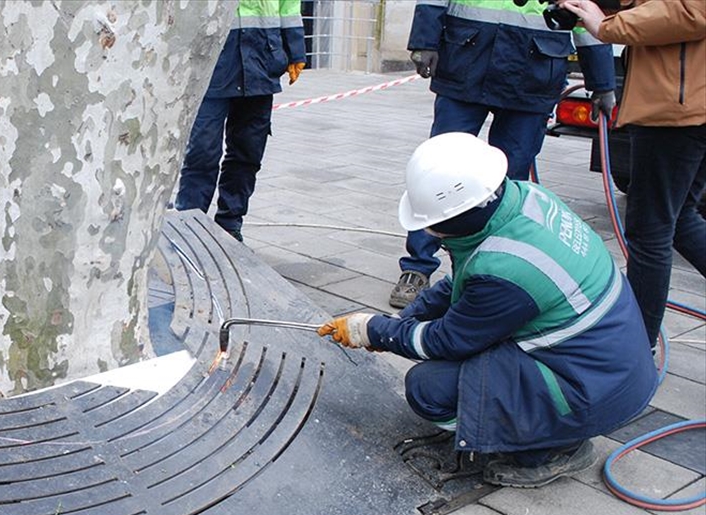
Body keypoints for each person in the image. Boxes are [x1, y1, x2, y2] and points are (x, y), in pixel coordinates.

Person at [319, 133, 657, 488]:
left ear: (459, 217)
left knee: (428, 389)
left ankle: (552, 449)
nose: (430, 233)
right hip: (605, 362)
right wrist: (403, 320)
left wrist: (373, 331)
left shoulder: (509, 269)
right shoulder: (522, 200)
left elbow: (446, 341)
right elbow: (463, 282)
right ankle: (535, 428)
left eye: (433, 224)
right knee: (466, 360)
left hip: (592, 388)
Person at [388, 0, 617, 309]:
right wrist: (424, 40)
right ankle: (417, 267)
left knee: (509, 185)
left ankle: (493, 270)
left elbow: (585, 14)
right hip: (468, 63)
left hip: (531, 75)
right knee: (436, 172)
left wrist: (602, 82)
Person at [557, 0, 706, 348]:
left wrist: (606, 26)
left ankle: (636, 347)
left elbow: (690, 11)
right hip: (683, 103)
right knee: (680, 217)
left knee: (650, 231)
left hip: (676, 109)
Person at [174, 0, 306, 243]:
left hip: (261, 58)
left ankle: (230, 226)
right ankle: (189, 228)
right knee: (202, 151)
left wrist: (295, 47)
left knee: (248, 151)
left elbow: (289, 6)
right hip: (212, 59)